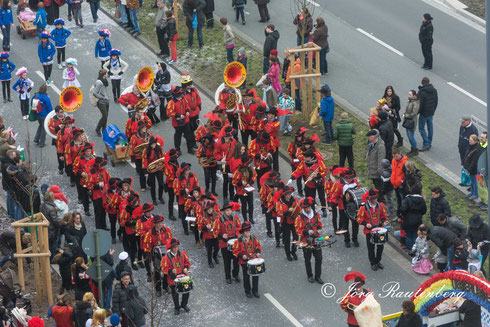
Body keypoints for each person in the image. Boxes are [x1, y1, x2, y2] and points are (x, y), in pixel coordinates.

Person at [357, 189, 389, 271]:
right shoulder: (363, 208)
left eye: (376, 198)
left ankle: (378, 261)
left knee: (380, 247)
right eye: (373, 199)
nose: (375, 200)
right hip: (369, 231)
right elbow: (359, 219)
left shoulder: (381, 206)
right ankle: (373, 263)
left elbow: (384, 216)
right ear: (370, 199)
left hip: (379, 229)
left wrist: (384, 221)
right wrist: (365, 224)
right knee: (371, 248)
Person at [295, 197, 324, 283]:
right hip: (306, 241)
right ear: (303, 208)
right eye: (305, 208)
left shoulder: (316, 215)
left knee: (319, 258)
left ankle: (318, 276)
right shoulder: (299, 218)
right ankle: (310, 275)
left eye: (308, 207)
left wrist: (319, 229)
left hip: (316, 239)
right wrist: (308, 232)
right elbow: (298, 230)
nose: (307, 209)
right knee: (307, 259)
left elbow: (319, 224)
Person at [161, 238, 191, 315]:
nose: (176, 249)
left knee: (186, 292)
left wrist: (186, 268)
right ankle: (177, 307)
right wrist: (170, 271)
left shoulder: (182, 253)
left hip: (183, 276)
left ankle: (184, 304)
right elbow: (163, 268)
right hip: (173, 279)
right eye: (174, 247)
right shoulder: (166, 257)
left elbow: (187, 262)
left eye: (177, 247)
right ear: (171, 248)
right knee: (175, 294)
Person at [233, 221, 262, 297]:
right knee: (246, 276)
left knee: (256, 275)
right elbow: (235, 251)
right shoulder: (239, 241)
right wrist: (242, 255)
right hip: (244, 261)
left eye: (249, 231)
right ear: (243, 233)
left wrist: (258, 252)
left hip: (253, 260)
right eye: (246, 232)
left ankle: (255, 290)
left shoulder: (254, 238)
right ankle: (247, 291)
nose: (248, 233)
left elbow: (258, 246)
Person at [167, 87, 196, 155]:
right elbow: (169, 113)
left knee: (188, 135)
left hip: (185, 120)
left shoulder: (183, 98)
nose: (182, 94)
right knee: (178, 136)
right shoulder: (171, 102)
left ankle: (190, 148)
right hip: (177, 123)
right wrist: (178, 115)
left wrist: (187, 111)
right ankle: (177, 149)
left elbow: (187, 106)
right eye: (181, 94)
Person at [399, 183, 426, 251]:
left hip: (407, 220)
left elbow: (403, 209)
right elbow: (424, 210)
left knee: (408, 235)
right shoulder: (422, 200)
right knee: (415, 235)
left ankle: (410, 250)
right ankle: (415, 250)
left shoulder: (407, 199)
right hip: (417, 220)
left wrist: (404, 215)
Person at [418, 77, 438, 151]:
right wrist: (433, 110)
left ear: (422, 82)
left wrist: (418, 112)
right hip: (431, 112)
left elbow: (420, 104)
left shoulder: (422, 92)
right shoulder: (434, 90)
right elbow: (436, 102)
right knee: (430, 127)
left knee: (421, 128)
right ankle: (429, 142)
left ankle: (426, 143)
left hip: (424, 113)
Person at [464, 134, 484, 200]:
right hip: (470, 168)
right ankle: (472, 192)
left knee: (475, 182)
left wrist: (470, 168)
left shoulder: (476, 149)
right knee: (472, 182)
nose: (469, 141)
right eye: (469, 139)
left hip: (474, 169)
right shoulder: (471, 146)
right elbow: (467, 155)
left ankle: (475, 194)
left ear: (475, 141)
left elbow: (474, 161)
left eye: (471, 140)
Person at [93, 69, 110, 137]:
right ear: (104, 74)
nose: (108, 74)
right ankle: (98, 129)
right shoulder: (99, 82)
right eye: (107, 73)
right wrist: (102, 97)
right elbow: (95, 93)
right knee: (104, 116)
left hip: (106, 101)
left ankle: (104, 130)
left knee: (105, 117)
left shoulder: (104, 80)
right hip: (101, 102)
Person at [402, 90, 419, 156]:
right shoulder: (410, 101)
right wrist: (404, 114)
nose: (408, 96)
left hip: (412, 121)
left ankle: (415, 150)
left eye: (410, 95)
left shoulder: (415, 103)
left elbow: (414, 113)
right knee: (409, 136)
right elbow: (407, 110)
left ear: (414, 95)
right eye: (408, 94)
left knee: (411, 136)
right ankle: (412, 149)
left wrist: (406, 115)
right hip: (407, 120)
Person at [391, 148, 407, 218]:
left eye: (396, 156)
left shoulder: (405, 163)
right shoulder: (393, 161)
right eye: (394, 156)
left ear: (400, 154)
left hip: (401, 186)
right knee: (398, 201)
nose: (395, 158)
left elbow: (407, 176)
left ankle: (403, 215)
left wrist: (402, 184)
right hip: (395, 185)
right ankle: (398, 215)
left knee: (403, 201)